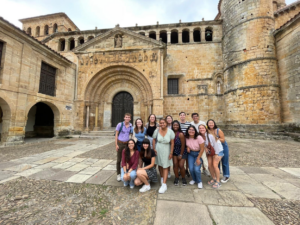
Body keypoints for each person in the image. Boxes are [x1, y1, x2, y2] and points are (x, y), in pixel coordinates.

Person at [152, 118, 175, 194]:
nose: (162, 124)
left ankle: (164, 184)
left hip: (166, 149)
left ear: (166, 123)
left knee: (165, 166)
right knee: (160, 165)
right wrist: (154, 148)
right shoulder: (157, 131)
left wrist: (171, 152)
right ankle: (162, 177)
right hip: (158, 148)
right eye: (161, 123)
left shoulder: (170, 131)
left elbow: (172, 143)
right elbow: (154, 139)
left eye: (163, 123)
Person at [199, 124, 223, 189]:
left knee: (215, 165)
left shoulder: (210, 136)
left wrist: (216, 154)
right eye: (200, 128)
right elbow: (202, 144)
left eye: (203, 128)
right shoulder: (200, 136)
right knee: (209, 165)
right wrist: (205, 148)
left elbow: (216, 145)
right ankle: (214, 178)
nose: (201, 129)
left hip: (218, 151)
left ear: (206, 129)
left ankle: (218, 181)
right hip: (210, 152)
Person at [207, 119, 230, 183]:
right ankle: (217, 176)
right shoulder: (208, 131)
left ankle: (226, 175)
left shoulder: (218, 130)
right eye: (209, 123)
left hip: (223, 147)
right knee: (216, 163)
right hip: (215, 148)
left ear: (214, 124)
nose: (211, 124)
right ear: (207, 124)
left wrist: (216, 138)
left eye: (212, 123)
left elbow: (223, 139)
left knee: (224, 162)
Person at [191, 113, 210, 177]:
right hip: (196, 140)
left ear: (198, 117)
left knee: (206, 156)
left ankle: (205, 169)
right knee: (202, 155)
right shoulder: (191, 123)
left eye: (196, 116)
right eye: (193, 117)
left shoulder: (203, 123)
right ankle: (203, 168)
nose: (195, 117)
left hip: (203, 139)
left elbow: (206, 130)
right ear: (192, 118)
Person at [115, 113, 133, 182]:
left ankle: (124, 172)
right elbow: (116, 135)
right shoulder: (120, 125)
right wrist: (116, 145)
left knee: (126, 159)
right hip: (120, 143)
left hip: (127, 144)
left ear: (130, 119)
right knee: (119, 159)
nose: (127, 118)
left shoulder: (131, 126)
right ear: (124, 118)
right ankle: (118, 174)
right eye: (126, 117)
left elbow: (131, 135)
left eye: (128, 117)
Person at [172, 120, 187, 186]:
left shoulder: (180, 134)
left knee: (181, 165)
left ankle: (183, 178)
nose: (175, 126)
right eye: (174, 125)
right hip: (174, 151)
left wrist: (181, 154)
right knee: (175, 165)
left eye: (177, 125)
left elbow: (183, 145)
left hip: (182, 151)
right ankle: (176, 177)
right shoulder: (171, 133)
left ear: (179, 126)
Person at [179, 112, 191, 178]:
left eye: (183, 115)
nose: (182, 116)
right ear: (179, 116)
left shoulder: (189, 124)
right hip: (179, 143)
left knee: (187, 157)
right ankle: (179, 170)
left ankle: (186, 169)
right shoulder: (177, 123)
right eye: (181, 115)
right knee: (180, 156)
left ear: (185, 116)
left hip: (187, 142)